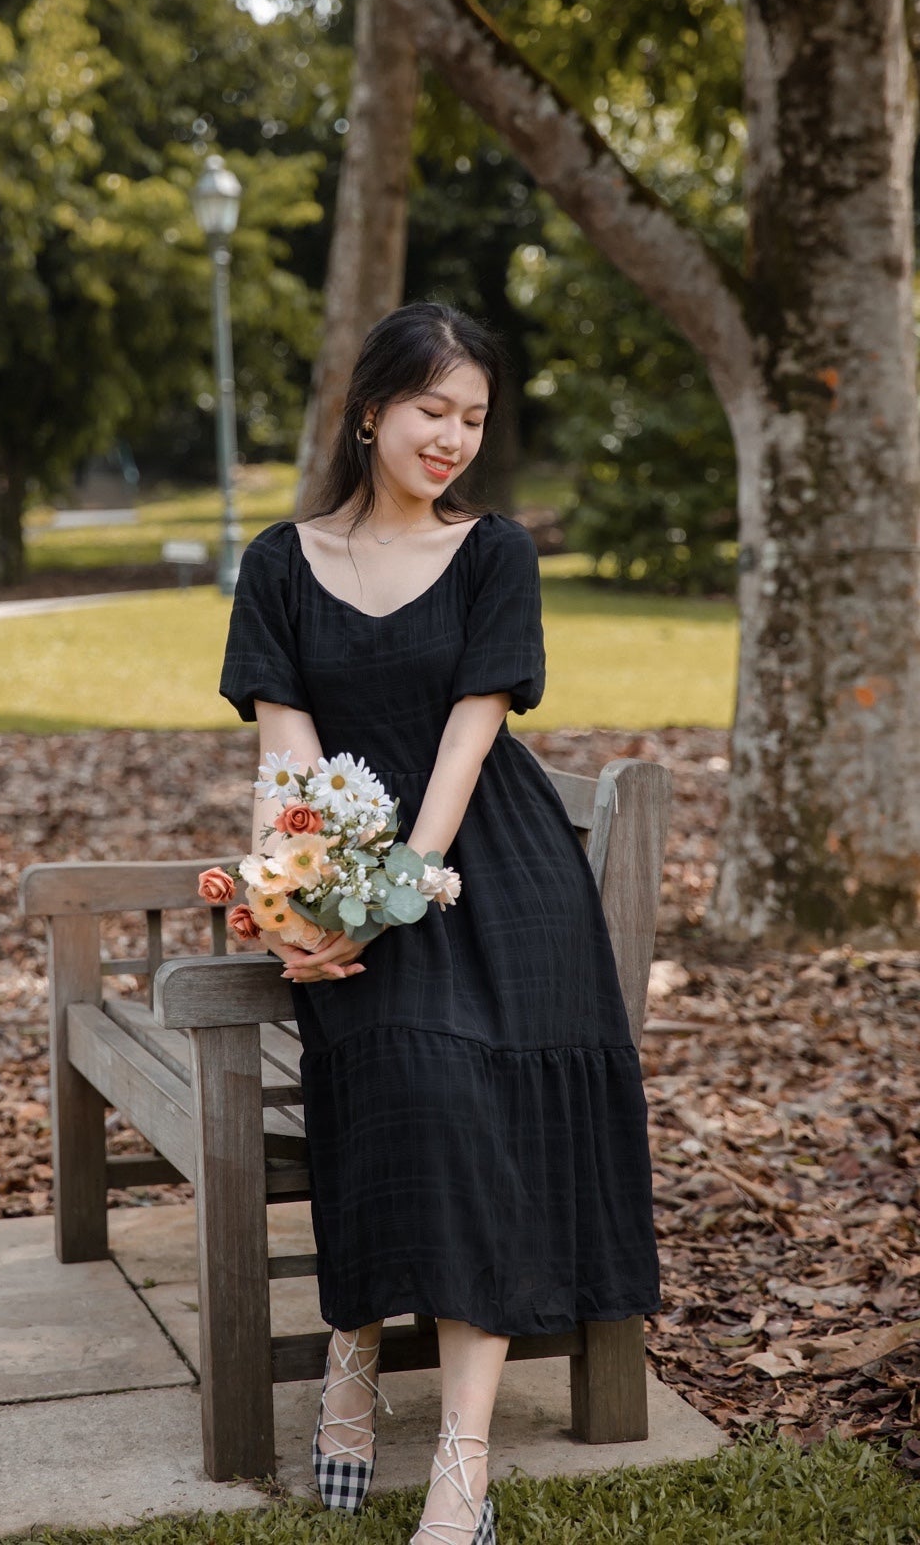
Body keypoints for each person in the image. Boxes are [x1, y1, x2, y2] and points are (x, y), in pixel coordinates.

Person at [219, 302, 660, 1543]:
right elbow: (285, 756)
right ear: (370, 409)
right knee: (407, 1076)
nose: (454, 438)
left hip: (497, 877)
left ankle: (464, 1464)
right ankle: (350, 1367)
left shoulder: (493, 553)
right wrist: (298, 900)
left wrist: (402, 885)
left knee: (469, 1096)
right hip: (351, 868)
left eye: (473, 418)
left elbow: (474, 733)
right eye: (432, 411)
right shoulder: (278, 561)